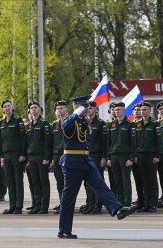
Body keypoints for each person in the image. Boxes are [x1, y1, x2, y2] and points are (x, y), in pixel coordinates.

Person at [57, 96, 137, 238]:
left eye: (87, 106)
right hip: (72, 162)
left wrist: (82, 115)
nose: (87, 109)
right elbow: (66, 126)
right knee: (69, 197)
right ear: (78, 107)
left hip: (85, 160)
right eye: (84, 107)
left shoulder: (84, 121)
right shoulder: (70, 120)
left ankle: (118, 209)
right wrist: (77, 112)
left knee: (100, 186)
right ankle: (64, 230)